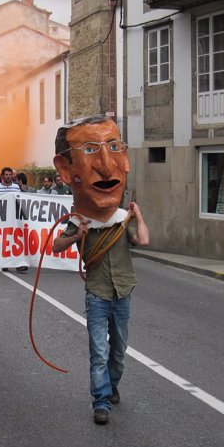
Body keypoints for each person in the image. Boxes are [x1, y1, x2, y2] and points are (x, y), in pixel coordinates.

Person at [51, 115, 149, 426]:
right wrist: (75, 235)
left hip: (123, 289)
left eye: (115, 148)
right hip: (97, 292)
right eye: (91, 150)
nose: (107, 166)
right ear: (66, 170)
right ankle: (101, 401)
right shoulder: (79, 219)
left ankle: (113, 384)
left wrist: (138, 217)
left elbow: (143, 241)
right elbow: (55, 246)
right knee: (98, 351)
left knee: (118, 350)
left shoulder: (122, 218)